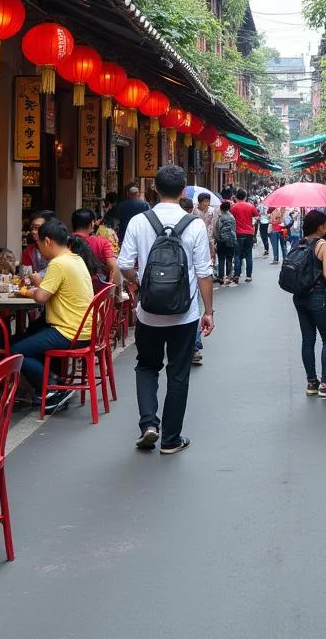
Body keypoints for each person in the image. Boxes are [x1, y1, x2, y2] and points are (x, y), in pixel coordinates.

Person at [117, 164, 214, 454]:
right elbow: (204, 272)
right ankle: (171, 439)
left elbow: (123, 265)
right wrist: (208, 311)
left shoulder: (139, 221)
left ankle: (149, 423)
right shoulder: (194, 224)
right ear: (184, 190)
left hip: (148, 313)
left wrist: (140, 282)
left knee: (147, 366)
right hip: (184, 314)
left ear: (155, 189)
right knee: (178, 374)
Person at [8, 218, 97, 414]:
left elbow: (40, 297)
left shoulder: (58, 263)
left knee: (15, 351)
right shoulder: (76, 258)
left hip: (68, 331)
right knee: (28, 337)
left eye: (39, 244)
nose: (39, 249)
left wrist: (24, 291)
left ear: (47, 241)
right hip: (82, 328)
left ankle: (49, 390)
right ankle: (52, 382)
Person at [291, 210, 326, 399]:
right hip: (318, 296)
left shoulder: (299, 243)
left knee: (308, 339)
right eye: (325, 224)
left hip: (299, 297)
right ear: (320, 226)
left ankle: (312, 382)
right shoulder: (324, 245)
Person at [71, 208, 119, 287]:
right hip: (96, 290)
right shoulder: (102, 242)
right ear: (91, 224)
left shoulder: (63, 243)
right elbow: (114, 268)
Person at [229, 189, 258, 284]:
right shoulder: (251, 206)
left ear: (236, 197)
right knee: (249, 254)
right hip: (249, 233)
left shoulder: (233, 207)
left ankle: (236, 275)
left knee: (237, 255)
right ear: (245, 197)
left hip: (237, 233)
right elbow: (256, 218)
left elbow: (230, 220)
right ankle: (249, 275)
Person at [21, 209, 55, 281]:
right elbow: (25, 276)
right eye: (32, 228)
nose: (33, 231)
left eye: (37, 228)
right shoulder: (28, 250)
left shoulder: (59, 248)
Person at [214, 201, 237, 286]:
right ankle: (229, 276)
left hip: (221, 241)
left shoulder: (220, 218)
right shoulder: (232, 217)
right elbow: (234, 229)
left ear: (221, 209)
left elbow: (216, 230)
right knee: (229, 259)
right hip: (230, 240)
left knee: (221, 259)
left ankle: (221, 277)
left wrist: (216, 240)